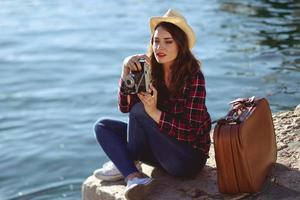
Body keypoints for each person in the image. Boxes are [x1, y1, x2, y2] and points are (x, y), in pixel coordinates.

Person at [93, 8, 211, 200]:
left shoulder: (194, 77)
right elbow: (124, 108)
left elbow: (192, 132)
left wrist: (154, 113)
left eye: (167, 41)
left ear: (180, 45)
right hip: (156, 152)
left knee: (141, 111)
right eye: (156, 41)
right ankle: (133, 176)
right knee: (102, 126)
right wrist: (125, 72)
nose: (159, 47)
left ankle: (124, 162)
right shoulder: (149, 69)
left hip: (186, 160)